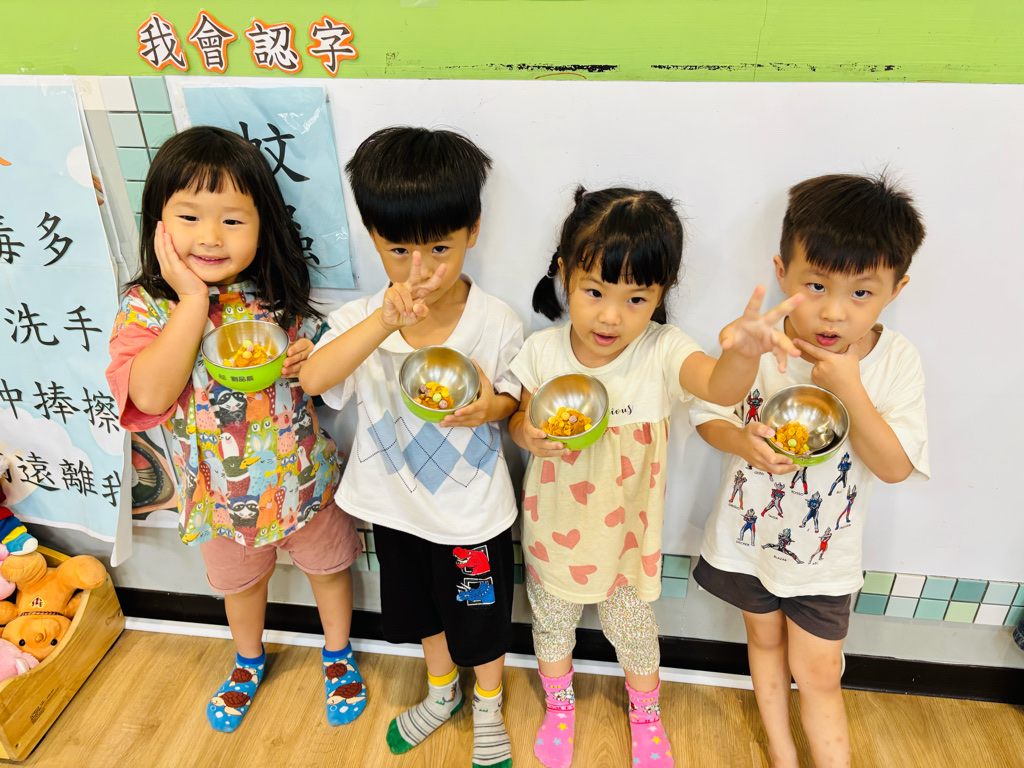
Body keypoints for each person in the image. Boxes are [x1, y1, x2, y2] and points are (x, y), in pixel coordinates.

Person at [508, 186, 802, 768]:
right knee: (551, 628)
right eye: (594, 292)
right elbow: (518, 419)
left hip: (626, 541)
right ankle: (560, 706)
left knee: (636, 633)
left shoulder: (663, 351)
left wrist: (744, 354)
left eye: (637, 298)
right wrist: (528, 434)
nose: (611, 316)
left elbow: (719, 386)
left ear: (661, 295)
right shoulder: (542, 351)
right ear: (565, 274)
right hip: (551, 533)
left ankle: (645, 714)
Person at [106, 126, 363, 733]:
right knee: (239, 586)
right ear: (158, 224)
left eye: (232, 220)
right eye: (189, 216)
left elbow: (321, 372)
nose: (210, 237)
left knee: (329, 568)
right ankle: (248, 661)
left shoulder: (275, 295)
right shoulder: (147, 307)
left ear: (262, 225)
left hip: (302, 479)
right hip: (219, 499)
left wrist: (306, 358)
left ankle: (338, 653)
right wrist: (192, 301)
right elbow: (150, 394)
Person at [299, 126, 523, 768]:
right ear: (373, 238)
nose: (419, 270)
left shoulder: (496, 320)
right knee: (422, 615)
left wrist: (490, 407)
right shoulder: (360, 322)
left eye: (439, 248)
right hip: (395, 512)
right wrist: (383, 322)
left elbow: (514, 401)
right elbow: (314, 379)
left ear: (472, 232)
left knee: (480, 621)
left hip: (472, 517)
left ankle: (487, 705)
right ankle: (442, 692)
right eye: (398, 250)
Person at [691, 173, 929, 768]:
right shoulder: (760, 342)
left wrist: (851, 387)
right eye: (816, 285)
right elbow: (708, 415)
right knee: (763, 642)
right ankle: (781, 751)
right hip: (748, 539)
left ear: (896, 290)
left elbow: (895, 467)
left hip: (825, 560)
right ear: (782, 272)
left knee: (819, 671)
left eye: (861, 293)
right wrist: (742, 443)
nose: (833, 311)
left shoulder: (895, 361)